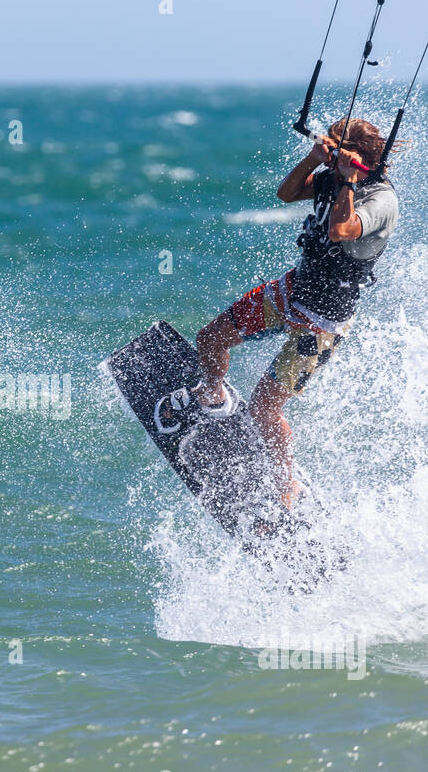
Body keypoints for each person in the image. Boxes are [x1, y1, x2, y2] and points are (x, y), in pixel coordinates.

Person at [153, 118, 399, 510]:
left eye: (336, 149)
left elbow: (342, 230)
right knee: (209, 339)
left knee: (265, 407)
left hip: (323, 322)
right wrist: (313, 159)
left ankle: (288, 483)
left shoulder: (380, 199)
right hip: (290, 291)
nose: (331, 156)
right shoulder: (332, 176)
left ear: (361, 157)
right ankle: (213, 394)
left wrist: (347, 181)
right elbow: (287, 194)